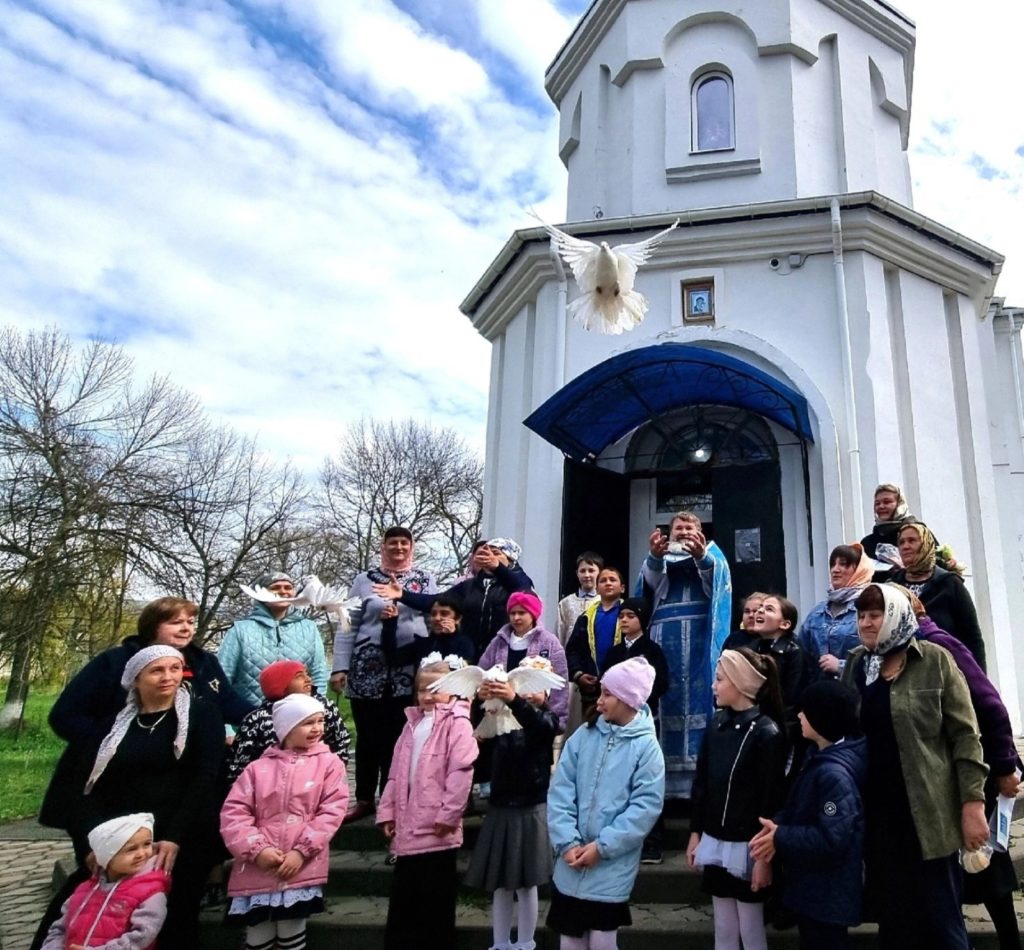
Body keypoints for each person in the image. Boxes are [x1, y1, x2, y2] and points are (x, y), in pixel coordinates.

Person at [34, 646, 226, 950]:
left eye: (175, 669)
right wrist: (93, 845)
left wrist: (174, 837)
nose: (168, 677)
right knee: (70, 910)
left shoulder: (202, 716)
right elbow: (85, 786)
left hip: (178, 837)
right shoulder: (112, 727)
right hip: (120, 841)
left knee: (172, 917)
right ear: (136, 679)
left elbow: (204, 778)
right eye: (157, 670)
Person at [841, 584, 988, 950]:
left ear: (895, 615)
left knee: (943, 922)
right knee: (895, 922)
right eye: (861, 615)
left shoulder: (935, 660)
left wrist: (972, 803)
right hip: (878, 815)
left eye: (875, 615)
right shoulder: (858, 664)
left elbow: (965, 736)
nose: (866, 623)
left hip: (929, 813)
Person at [898, 587, 1023, 950]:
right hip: (937, 773)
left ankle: (1009, 942)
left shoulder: (939, 645)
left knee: (986, 862)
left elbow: (990, 704)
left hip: (970, 767)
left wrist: (1004, 766)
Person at [546, 657, 666, 950]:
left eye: (608, 694)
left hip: (610, 866)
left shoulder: (647, 748)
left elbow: (644, 807)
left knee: (602, 940)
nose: (599, 701)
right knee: (570, 940)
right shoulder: (583, 736)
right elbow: (561, 791)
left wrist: (602, 847)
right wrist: (567, 841)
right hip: (571, 862)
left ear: (628, 699)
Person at [46, 597, 254, 756]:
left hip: (191, 765)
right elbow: (66, 716)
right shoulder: (115, 662)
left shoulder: (204, 663)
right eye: (176, 622)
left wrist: (266, 717)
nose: (186, 628)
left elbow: (227, 703)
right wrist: (116, 743)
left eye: (190, 622)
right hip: (122, 769)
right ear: (153, 626)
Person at [220, 693, 349, 950]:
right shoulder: (258, 768)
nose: (317, 728)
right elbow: (234, 812)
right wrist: (257, 850)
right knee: (258, 933)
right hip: (258, 866)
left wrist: (302, 851)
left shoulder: (329, 764)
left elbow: (332, 811)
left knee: (291, 930)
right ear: (287, 728)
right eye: (308, 723)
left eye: (320, 721)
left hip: (299, 865)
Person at [749, 680, 867, 950]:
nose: (799, 716)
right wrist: (777, 825)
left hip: (826, 896)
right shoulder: (819, 758)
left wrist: (780, 836)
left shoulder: (834, 776)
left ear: (823, 719)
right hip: (815, 892)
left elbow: (831, 836)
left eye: (806, 711)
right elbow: (802, 809)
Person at [331, 527, 438, 822]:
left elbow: (434, 615)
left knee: (400, 736)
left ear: (412, 547)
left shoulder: (424, 579)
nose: (399, 548)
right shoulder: (364, 580)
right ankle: (364, 798)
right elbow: (347, 624)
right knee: (368, 736)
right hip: (367, 667)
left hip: (409, 669)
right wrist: (340, 666)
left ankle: (392, 799)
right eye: (393, 543)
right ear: (383, 546)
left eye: (404, 543)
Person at [687, 649, 787, 950]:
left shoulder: (766, 733)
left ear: (741, 683)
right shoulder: (716, 725)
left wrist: (763, 859)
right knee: (724, 925)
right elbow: (702, 783)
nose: (714, 686)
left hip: (747, 845)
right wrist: (696, 832)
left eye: (720, 679)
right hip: (715, 838)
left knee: (750, 926)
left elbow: (771, 801)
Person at [377, 657, 479, 950]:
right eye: (423, 690)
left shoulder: (457, 724)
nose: (428, 696)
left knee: (435, 901)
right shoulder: (411, 725)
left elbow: (460, 773)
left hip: (437, 830)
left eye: (436, 689)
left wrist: (449, 815)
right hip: (408, 829)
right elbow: (395, 774)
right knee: (405, 900)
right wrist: (387, 812)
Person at [464, 657, 561, 950]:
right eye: (523, 687)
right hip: (500, 804)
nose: (528, 693)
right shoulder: (499, 717)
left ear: (547, 692)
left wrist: (514, 700)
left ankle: (526, 941)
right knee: (501, 883)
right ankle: (500, 942)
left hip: (530, 807)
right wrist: (480, 700)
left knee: (527, 883)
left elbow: (538, 726)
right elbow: (478, 731)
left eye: (536, 688)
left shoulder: (548, 719)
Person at [639, 511, 732, 798]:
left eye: (689, 527)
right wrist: (655, 559)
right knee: (664, 697)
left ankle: (698, 779)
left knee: (700, 698)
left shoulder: (713, 554)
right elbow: (650, 588)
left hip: (699, 641)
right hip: (664, 640)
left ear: (699, 531)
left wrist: (702, 558)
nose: (683, 531)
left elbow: (717, 587)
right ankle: (663, 786)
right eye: (678, 527)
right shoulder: (659, 556)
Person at [375, 537, 534, 659]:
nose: (490, 557)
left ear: (511, 560)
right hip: (471, 654)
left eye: (496, 553)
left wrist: (497, 568)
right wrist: (403, 595)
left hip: (504, 654)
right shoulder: (469, 586)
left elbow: (523, 591)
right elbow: (437, 602)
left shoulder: (519, 582)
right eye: (488, 552)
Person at [600, 598, 670, 865]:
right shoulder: (614, 652)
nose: (625, 620)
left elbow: (662, 683)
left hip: (643, 720)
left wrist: (635, 700)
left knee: (646, 778)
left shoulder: (652, 650)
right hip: (615, 723)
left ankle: (653, 841)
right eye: (622, 616)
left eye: (631, 616)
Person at [40, 813, 170, 950]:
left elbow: (143, 935)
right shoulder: (84, 890)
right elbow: (60, 927)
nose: (141, 854)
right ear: (106, 856)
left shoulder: (150, 892)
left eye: (147, 844)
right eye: (131, 849)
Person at [226, 660, 351, 784]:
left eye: (307, 674)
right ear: (279, 684)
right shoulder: (257, 720)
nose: (308, 679)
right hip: (269, 785)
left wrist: (334, 774)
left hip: (319, 780)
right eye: (299, 676)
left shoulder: (323, 707)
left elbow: (340, 741)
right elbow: (240, 762)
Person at [219, 573, 329, 706]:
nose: (283, 591)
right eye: (275, 587)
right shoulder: (239, 630)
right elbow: (223, 676)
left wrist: (316, 707)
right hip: (248, 713)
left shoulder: (309, 628)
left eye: (288, 587)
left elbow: (318, 673)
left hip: (299, 713)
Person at [888, 522, 987, 670]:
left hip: (946, 671)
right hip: (903, 671)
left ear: (926, 545)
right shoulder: (892, 586)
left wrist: (978, 678)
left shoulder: (950, 584)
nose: (905, 546)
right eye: (901, 542)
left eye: (912, 540)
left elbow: (972, 636)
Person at [478, 592, 569, 732]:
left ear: (533, 614)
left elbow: (560, 683)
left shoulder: (550, 642)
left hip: (535, 719)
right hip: (501, 722)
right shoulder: (498, 642)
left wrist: (557, 718)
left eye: (522, 613)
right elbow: (482, 673)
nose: (516, 618)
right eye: (512, 613)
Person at [798, 544, 873, 681]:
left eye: (843, 564)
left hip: (855, 691)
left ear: (859, 570)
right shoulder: (817, 612)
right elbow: (802, 657)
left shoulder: (869, 608)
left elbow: (878, 660)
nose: (835, 570)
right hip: (820, 690)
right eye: (833, 564)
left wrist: (841, 666)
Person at [565, 567, 626, 716]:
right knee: (593, 726)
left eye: (613, 580)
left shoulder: (630, 614)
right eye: (603, 580)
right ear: (597, 589)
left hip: (622, 688)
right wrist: (579, 675)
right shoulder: (585, 617)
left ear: (622, 588)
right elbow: (572, 650)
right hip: (592, 689)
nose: (608, 583)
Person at [749, 595, 808, 743]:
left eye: (769, 609)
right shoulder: (752, 648)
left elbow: (792, 697)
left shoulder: (793, 652)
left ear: (785, 624)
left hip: (781, 728)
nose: (759, 611)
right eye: (760, 607)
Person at [379, 593, 476, 668]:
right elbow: (391, 659)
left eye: (444, 613)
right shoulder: (423, 645)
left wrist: (450, 637)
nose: (437, 618)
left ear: (457, 618)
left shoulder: (465, 644)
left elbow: (459, 670)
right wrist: (389, 624)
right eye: (433, 614)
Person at [859, 483, 919, 560]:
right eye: (877, 503)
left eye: (887, 502)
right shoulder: (868, 543)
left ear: (900, 504)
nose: (881, 506)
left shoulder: (918, 533)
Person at [556, 552, 604, 646]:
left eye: (591, 570)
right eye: (582, 571)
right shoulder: (566, 603)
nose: (586, 575)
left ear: (600, 573)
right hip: (570, 653)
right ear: (577, 573)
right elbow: (559, 634)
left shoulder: (603, 601)